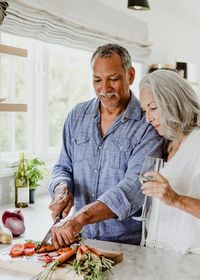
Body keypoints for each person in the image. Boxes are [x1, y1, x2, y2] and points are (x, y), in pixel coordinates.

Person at [49, 43, 163, 249]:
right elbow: (63, 167)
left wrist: (80, 218)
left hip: (126, 246)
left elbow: (133, 188)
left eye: (113, 79)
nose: (104, 89)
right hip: (80, 240)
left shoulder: (148, 123)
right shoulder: (77, 116)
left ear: (130, 75)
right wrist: (61, 189)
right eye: (97, 80)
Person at [139, 69, 200, 254]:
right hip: (162, 255)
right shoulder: (169, 143)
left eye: (153, 108)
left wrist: (176, 199)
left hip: (191, 260)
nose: (148, 118)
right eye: (145, 111)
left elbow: (172, 200)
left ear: (173, 101)